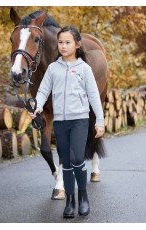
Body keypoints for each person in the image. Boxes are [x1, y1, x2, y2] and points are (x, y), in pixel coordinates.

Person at [29, 26, 105, 218]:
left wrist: (100, 121)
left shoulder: (84, 69)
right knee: (67, 162)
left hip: (80, 120)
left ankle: (83, 197)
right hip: (61, 123)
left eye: (67, 42)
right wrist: (36, 106)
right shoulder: (53, 68)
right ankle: (70, 201)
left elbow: (94, 96)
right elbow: (43, 91)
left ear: (77, 45)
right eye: (60, 43)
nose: (63, 46)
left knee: (77, 159)